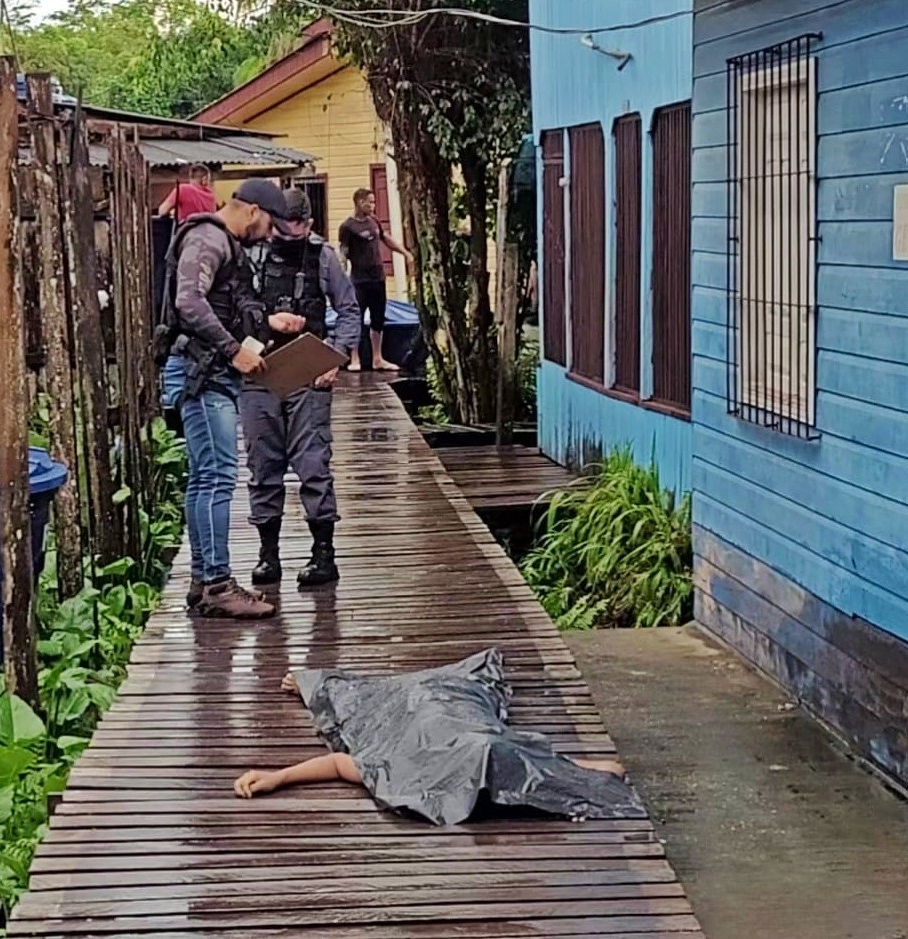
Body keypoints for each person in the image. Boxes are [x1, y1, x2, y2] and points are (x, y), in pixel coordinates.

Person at [231, 651, 637, 828]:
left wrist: (279, 777)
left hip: (460, 716)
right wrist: (278, 777)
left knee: (483, 737)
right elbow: (341, 764)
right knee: (363, 700)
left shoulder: (492, 753)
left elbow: (535, 761)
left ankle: (317, 681)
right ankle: (316, 681)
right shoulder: (405, 765)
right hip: (425, 708)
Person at [159, 178, 299, 619]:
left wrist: (266, 324)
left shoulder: (220, 242)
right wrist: (232, 349)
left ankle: (204, 582)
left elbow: (221, 303)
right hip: (201, 376)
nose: (271, 235)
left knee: (205, 477)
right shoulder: (208, 237)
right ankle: (218, 583)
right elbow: (189, 302)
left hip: (208, 374)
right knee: (217, 477)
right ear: (254, 211)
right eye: (271, 224)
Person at [240, 189, 362, 589]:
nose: (293, 233)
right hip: (260, 372)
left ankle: (323, 554)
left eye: (300, 225)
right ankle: (267, 554)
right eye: (285, 225)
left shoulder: (323, 256)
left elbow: (347, 310)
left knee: (313, 464)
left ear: (310, 222)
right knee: (262, 466)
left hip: (309, 372)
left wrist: (337, 356)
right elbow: (232, 307)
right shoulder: (252, 253)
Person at [337, 188, 411, 372]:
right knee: (357, 319)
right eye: (369, 202)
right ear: (359, 202)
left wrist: (405, 253)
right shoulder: (347, 226)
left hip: (377, 277)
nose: (372, 205)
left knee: (378, 319)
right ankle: (355, 359)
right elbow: (343, 253)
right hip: (359, 280)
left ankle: (378, 358)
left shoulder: (374, 221)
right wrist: (342, 274)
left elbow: (386, 239)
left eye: (373, 202)